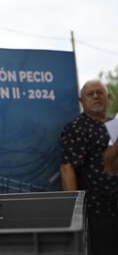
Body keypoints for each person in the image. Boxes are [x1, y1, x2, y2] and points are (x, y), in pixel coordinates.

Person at [60, 80, 118, 255]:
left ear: (108, 97)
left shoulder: (114, 125)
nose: (95, 96)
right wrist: (75, 212)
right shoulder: (77, 127)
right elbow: (67, 168)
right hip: (98, 211)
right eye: (90, 93)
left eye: (100, 92)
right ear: (81, 101)